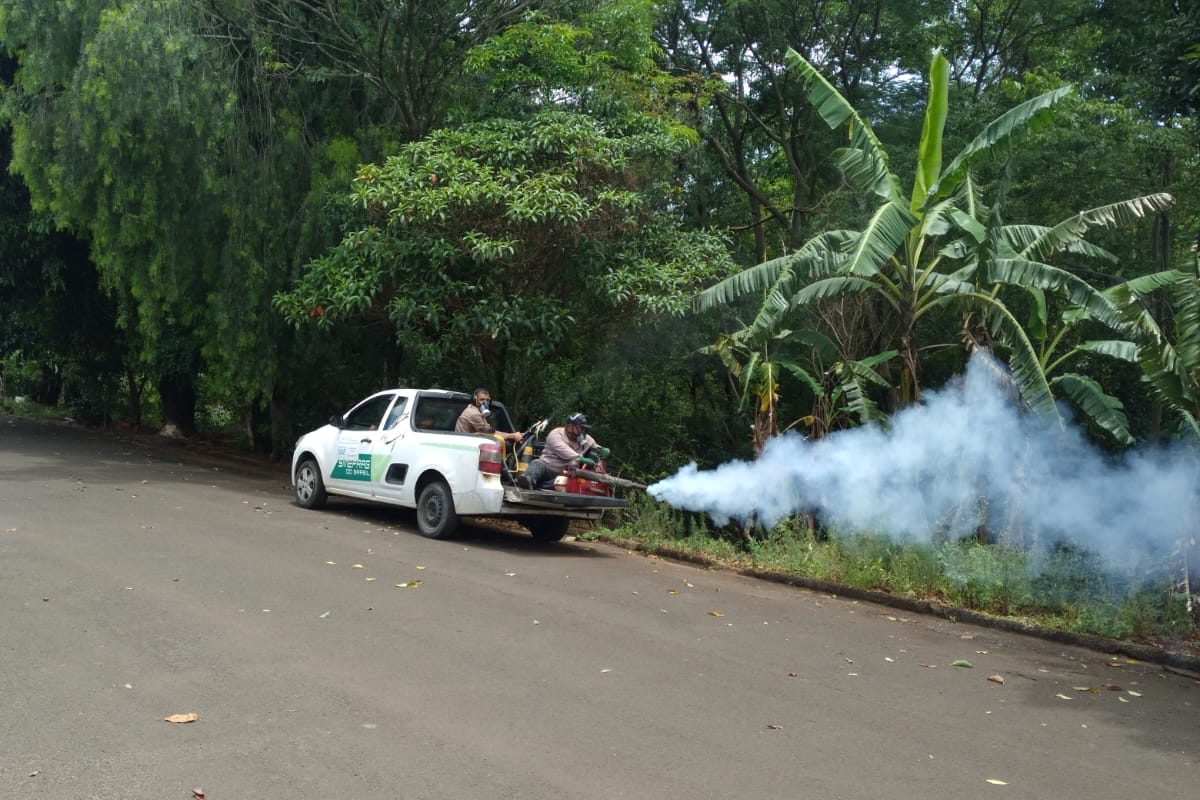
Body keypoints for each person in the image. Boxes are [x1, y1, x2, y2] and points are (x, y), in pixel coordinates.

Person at [521, 412, 608, 489]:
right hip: (548, 467)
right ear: (570, 426)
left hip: (564, 473)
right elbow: (566, 452)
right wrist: (581, 459)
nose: (582, 431)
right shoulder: (555, 434)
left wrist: (604, 451)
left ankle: (540, 486)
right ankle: (528, 480)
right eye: (580, 428)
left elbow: (596, 447)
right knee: (537, 463)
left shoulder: (585, 439)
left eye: (583, 429)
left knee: (569, 481)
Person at [455, 388, 521, 442]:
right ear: (475, 399)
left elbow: (489, 431)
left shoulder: (473, 409)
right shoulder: (474, 414)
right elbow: (489, 433)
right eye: (482, 399)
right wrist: (512, 436)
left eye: (487, 400)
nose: (485, 403)